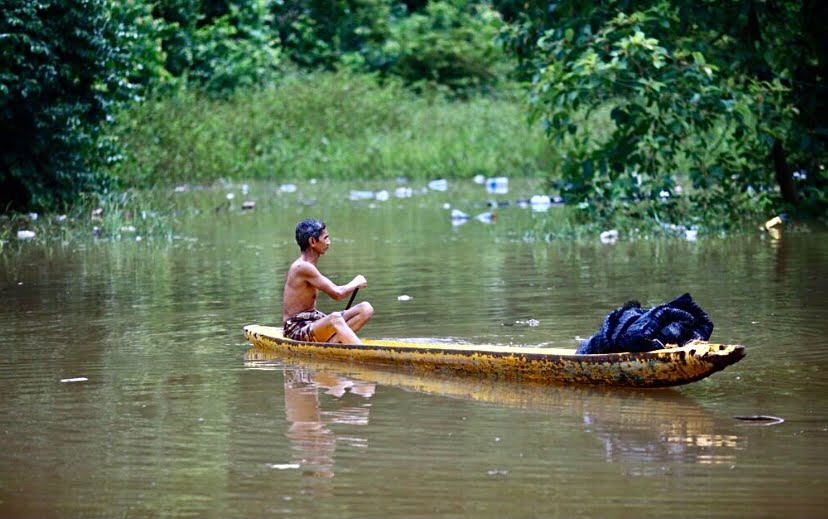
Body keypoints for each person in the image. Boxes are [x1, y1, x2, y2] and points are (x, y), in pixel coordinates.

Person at [282, 219, 373, 344]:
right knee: (335, 318)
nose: (329, 242)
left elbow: (337, 290)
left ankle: (332, 345)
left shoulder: (309, 265)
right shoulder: (302, 267)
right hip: (296, 329)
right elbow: (338, 293)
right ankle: (361, 351)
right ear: (312, 241)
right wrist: (356, 282)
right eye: (325, 238)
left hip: (313, 322)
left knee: (365, 309)